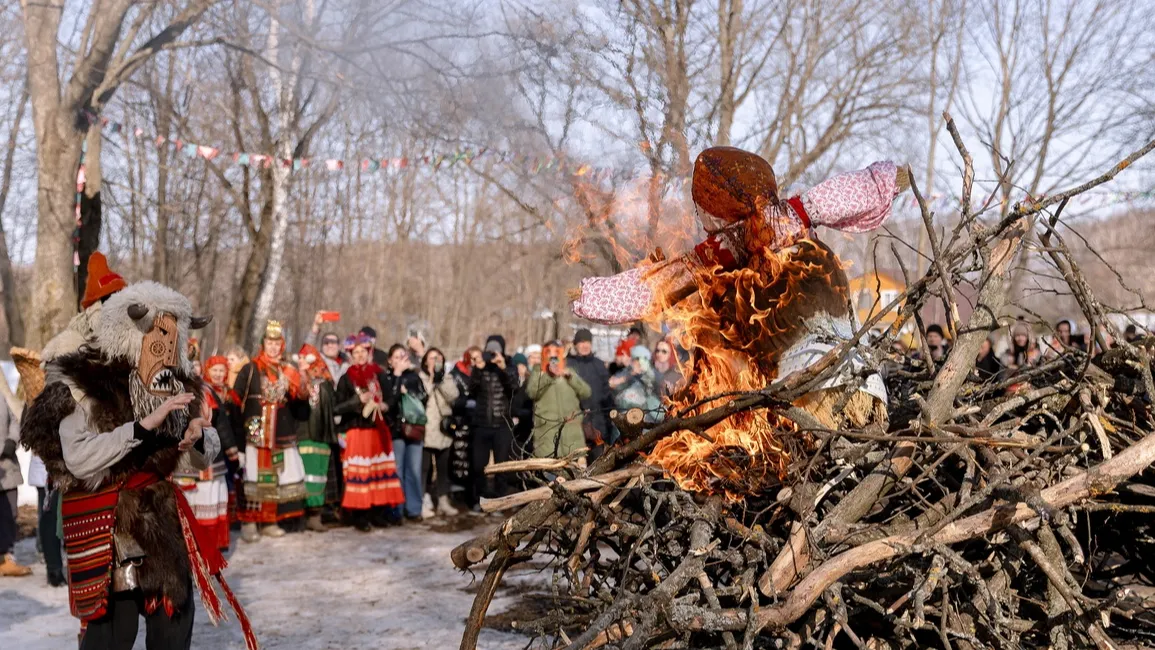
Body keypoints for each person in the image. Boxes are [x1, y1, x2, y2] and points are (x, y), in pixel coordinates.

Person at [20, 281, 256, 650]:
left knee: (174, 627)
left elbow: (201, 456)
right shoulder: (84, 381)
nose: (163, 346)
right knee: (112, 636)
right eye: (155, 334)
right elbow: (78, 458)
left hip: (162, 522)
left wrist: (199, 438)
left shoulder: (176, 382)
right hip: (110, 526)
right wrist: (142, 428)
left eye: (171, 335)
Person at [234, 321, 310, 542]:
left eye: (277, 343)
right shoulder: (251, 369)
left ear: (282, 345)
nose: (274, 347)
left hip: (279, 432)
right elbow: (235, 399)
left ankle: (269, 520)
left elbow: (299, 400)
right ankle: (249, 521)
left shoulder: (288, 371)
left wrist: (304, 382)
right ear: (263, 344)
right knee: (253, 475)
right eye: (270, 342)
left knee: (273, 475)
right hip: (255, 430)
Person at [334, 336, 405, 531]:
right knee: (362, 473)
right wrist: (357, 401)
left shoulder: (379, 374)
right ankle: (360, 515)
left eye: (362, 352)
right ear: (350, 355)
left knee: (377, 471)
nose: (359, 356)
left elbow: (391, 398)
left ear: (369, 353)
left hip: (377, 430)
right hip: (357, 430)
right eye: (355, 353)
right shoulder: (346, 378)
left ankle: (378, 512)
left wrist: (384, 404)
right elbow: (337, 407)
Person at [171, 356, 240, 552]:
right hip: (183, 459)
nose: (192, 370)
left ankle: (211, 544)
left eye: (195, 366)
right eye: (188, 366)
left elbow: (222, 425)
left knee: (208, 497)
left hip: (210, 457)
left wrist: (231, 450)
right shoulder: (173, 391)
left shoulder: (207, 392)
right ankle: (189, 543)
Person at [296, 344, 341, 531]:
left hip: (322, 437)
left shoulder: (326, 383)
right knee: (303, 476)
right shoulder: (297, 381)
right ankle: (301, 514)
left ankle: (316, 514)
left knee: (318, 476)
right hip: (303, 435)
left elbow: (334, 408)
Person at [468, 335, 516, 507]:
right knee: (478, 466)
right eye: (490, 350)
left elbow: (514, 388)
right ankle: (478, 500)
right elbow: (471, 390)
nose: (493, 354)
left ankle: (500, 501)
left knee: (502, 467)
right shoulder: (482, 366)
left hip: (502, 424)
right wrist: (478, 369)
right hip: (481, 424)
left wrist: (502, 368)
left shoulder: (509, 365)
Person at [384, 343, 428, 521]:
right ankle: (397, 509)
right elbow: (389, 401)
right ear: (389, 361)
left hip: (414, 428)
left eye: (404, 356)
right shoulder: (387, 377)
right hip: (396, 429)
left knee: (414, 470)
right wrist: (396, 376)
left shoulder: (413, 377)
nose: (401, 360)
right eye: (397, 357)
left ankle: (414, 509)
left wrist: (408, 392)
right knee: (397, 470)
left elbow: (423, 398)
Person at [527, 341, 592, 460]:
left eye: (556, 352)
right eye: (549, 353)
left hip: (572, 436)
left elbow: (586, 392)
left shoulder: (569, 371)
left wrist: (570, 378)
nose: (553, 357)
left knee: (575, 475)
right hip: (547, 435)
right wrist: (548, 377)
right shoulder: (538, 372)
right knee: (549, 476)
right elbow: (531, 393)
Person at [419, 347, 459, 517]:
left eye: (439, 358)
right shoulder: (419, 378)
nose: (435, 361)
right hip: (425, 429)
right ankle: (422, 499)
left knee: (443, 468)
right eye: (432, 358)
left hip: (443, 430)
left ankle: (443, 500)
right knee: (424, 469)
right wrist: (430, 380)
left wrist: (440, 380)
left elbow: (454, 395)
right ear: (425, 361)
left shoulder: (447, 378)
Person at [566, 328, 612, 454]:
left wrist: (609, 420)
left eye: (588, 342)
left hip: (597, 422)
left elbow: (606, 394)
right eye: (581, 342)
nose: (585, 345)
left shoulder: (599, 365)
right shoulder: (567, 365)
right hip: (574, 422)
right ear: (575, 344)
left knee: (598, 464)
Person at [0, 386, 29, 577]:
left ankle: (7, 557)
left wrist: (12, 440)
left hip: (7, 465)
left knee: (10, 513)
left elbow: (14, 421)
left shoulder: (0, 396)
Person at [610, 345, 664, 424]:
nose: (639, 362)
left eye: (642, 359)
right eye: (636, 359)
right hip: (623, 419)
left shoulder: (654, 374)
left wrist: (647, 374)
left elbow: (660, 389)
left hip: (645, 419)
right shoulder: (626, 372)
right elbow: (612, 384)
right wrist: (631, 375)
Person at [305, 311, 350, 382]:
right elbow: (307, 350)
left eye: (333, 342)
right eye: (326, 342)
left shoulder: (347, 365)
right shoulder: (316, 363)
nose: (330, 345)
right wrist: (316, 325)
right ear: (322, 346)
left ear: (339, 346)